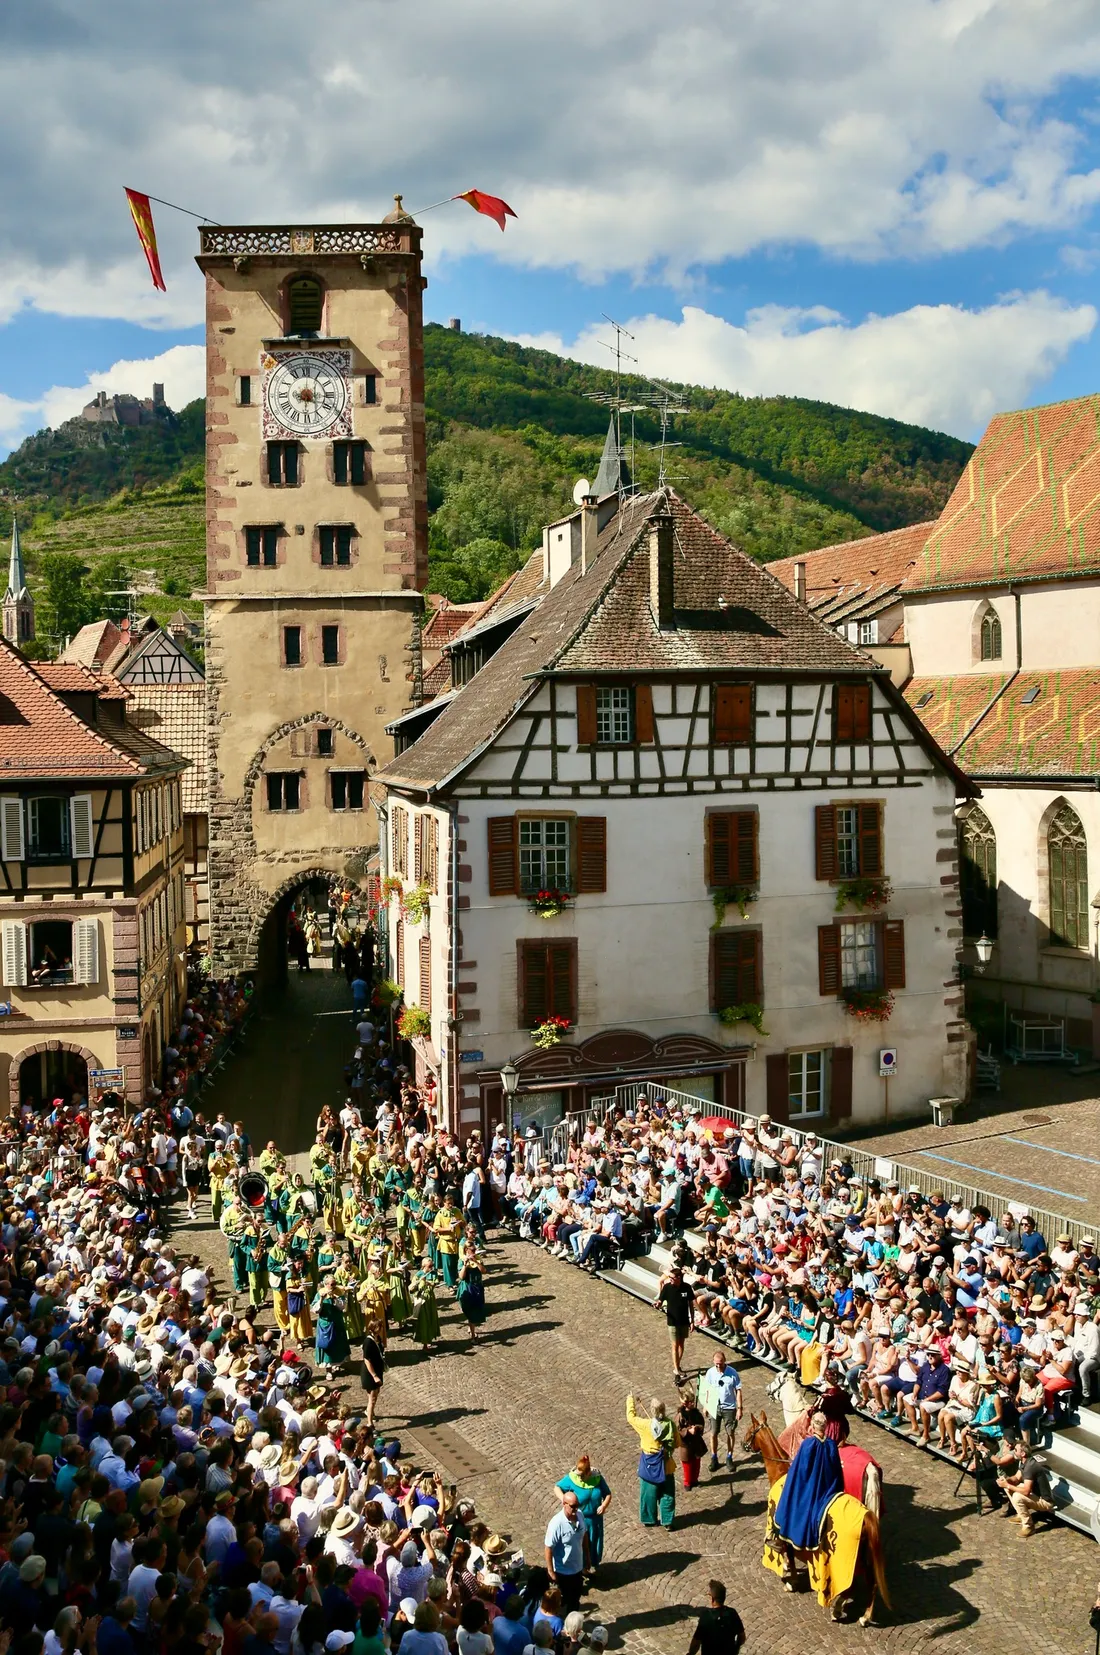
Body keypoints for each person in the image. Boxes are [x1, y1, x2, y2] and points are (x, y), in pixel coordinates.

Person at [771, 1414, 843, 1551]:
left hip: (810, 1487)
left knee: (789, 1498)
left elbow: (799, 1470)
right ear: (825, 1426)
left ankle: (782, 1538)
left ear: (813, 1426)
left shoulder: (808, 1444)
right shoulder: (832, 1444)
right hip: (827, 1488)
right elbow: (836, 1471)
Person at [626, 1393, 679, 1531]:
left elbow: (631, 1418)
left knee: (648, 1493)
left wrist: (630, 1401)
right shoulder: (670, 1424)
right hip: (666, 1465)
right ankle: (667, 1521)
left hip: (650, 1465)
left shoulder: (646, 1425)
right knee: (667, 1493)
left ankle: (649, 1519)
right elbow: (677, 1443)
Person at [554, 1455, 612, 1568]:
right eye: (578, 1475)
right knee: (579, 1545)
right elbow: (557, 1487)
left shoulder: (597, 1478)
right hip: (579, 1519)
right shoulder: (572, 1479)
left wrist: (604, 1505)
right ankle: (581, 1567)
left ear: (588, 1473)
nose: (579, 1478)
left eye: (581, 1475)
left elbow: (608, 1494)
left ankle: (592, 1563)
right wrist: (564, 1499)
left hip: (595, 1520)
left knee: (594, 1542)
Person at [543, 1491, 589, 1613]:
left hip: (577, 1568)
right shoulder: (557, 1523)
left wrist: (587, 1558)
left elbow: (584, 1535)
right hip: (563, 1571)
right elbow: (548, 1547)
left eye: (577, 1505)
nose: (575, 1509)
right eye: (572, 1506)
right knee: (565, 1600)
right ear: (564, 1504)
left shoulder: (580, 1515)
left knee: (575, 1599)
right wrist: (550, 1571)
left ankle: (571, 1623)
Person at [698, 1351, 742, 1473]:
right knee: (713, 1432)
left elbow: (738, 1390)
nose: (719, 1367)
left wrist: (739, 1408)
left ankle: (729, 1456)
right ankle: (714, 1457)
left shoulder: (732, 1373)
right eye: (716, 1364)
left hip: (729, 1408)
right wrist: (706, 1406)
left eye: (721, 1364)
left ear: (725, 1361)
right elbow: (707, 1390)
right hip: (714, 1406)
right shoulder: (710, 1373)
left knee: (730, 1433)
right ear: (713, 1362)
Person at [655, 1264, 695, 1383]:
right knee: (674, 1345)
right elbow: (660, 1300)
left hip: (683, 1320)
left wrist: (692, 1320)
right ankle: (677, 1369)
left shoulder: (686, 1288)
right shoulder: (667, 1287)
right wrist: (658, 1304)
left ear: (678, 1278)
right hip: (672, 1321)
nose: (670, 1280)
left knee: (681, 1344)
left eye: (672, 1278)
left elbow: (691, 1305)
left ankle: (677, 1365)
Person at [686, 1580, 745, 1655]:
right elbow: (742, 1637)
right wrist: (735, 1649)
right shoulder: (732, 1613)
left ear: (712, 1599)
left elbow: (696, 1642)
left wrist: (690, 1653)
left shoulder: (706, 1616)